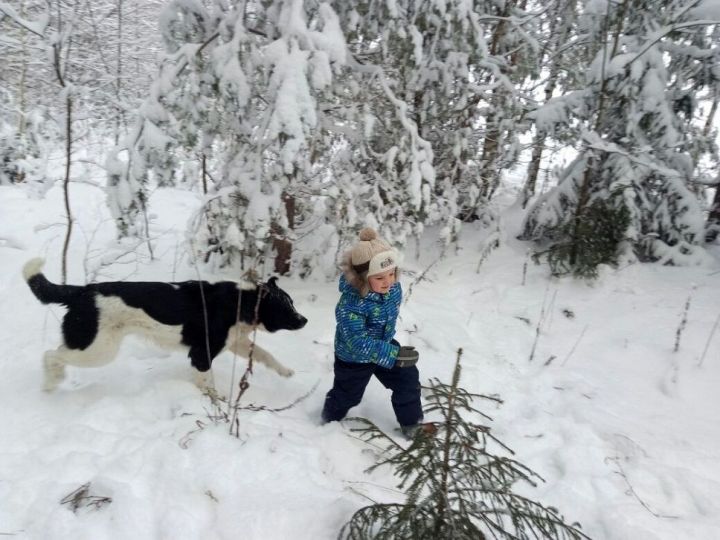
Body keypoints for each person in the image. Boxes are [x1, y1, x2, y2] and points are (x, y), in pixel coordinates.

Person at [321, 227, 424, 439]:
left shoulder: (392, 287)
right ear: (362, 278)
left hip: (383, 344)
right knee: (347, 396)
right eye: (379, 277)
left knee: (408, 379)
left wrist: (390, 352)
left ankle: (412, 424)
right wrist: (392, 354)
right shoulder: (351, 304)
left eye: (391, 273)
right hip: (353, 358)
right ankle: (327, 421)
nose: (388, 281)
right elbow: (356, 342)